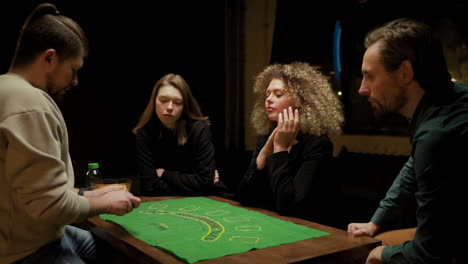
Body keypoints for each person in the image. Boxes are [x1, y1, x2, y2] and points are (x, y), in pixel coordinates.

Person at [0, 3, 141, 264]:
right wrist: (108, 203)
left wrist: (88, 195)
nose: (75, 80)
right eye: (73, 69)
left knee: (112, 248)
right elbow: (49, 206)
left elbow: (30, 190)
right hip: (28, 251)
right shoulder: (30, 105)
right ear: (50, 58)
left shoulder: (6, 88)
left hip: (36, 234)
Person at [347, 18, 468, 264]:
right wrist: (375, 222)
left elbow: (430, 252)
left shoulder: (437, 135)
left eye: (369, 76)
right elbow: (413, 166)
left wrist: (381, 255)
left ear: (405, 73)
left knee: (370, 254)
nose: (362, 89)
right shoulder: (451, 98)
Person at [235, 62, 344, 226]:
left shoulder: (318, 144)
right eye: (267, 94)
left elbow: (290, 207)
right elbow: (243, 196)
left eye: (278, 94)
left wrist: (279, 150)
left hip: (306, 232)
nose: (268, 100)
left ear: (301, 102)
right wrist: (263, 155)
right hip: (268, 223)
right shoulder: (265, 137)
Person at [133, 73, 229, 196]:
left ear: (184, 106)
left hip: (213, 199)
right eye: (163, 100)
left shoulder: (199, 130)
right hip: (166, 202)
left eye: (177, 102)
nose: (169, 107)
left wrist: (164, 174)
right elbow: (150, 186)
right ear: (154, 101)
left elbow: (204, 182)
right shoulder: (144, 133)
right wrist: (195, 184)